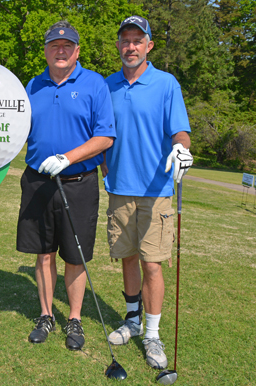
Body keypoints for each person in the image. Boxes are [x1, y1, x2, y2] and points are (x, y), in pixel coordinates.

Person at [16, 21, 116, 350]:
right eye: (54, 45)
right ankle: (46, 315)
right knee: (44, 255)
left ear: (77, 51)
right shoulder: (33, 85)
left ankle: (74, 318)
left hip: (78, 182)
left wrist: (68, 157)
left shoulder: (94, 84)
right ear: (45, 50)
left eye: (67, 45)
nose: (60, 50)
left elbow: (104, 137)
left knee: (75, 257)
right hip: (38, 181)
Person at [103, 16, 193, 369]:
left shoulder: (166, 83)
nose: (131, 47)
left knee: (151, 264)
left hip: (156, 190)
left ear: (149, 46)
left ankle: (152, 334)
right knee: (126, 257)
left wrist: (182, 149)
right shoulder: (107, 85)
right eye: (125, 41)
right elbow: (101, 132)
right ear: (118, 46)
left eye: (137, 41)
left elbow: (180, 130)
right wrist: (101, 161)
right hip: (118, 189)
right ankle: (132, 319)